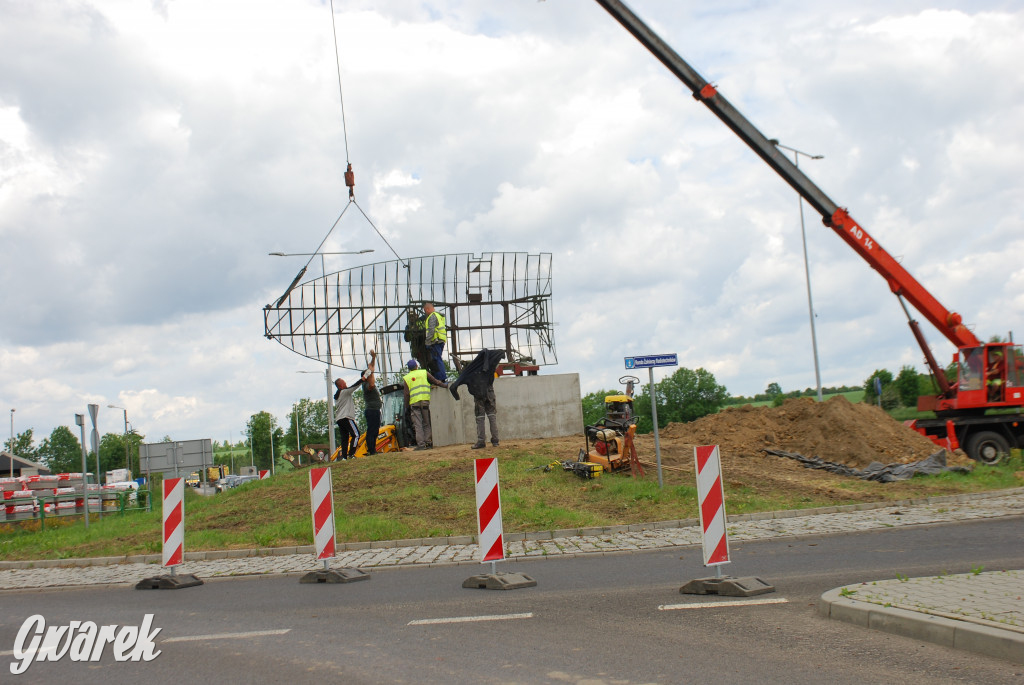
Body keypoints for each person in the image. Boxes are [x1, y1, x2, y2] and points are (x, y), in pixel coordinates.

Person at [449, 349, 505, 449]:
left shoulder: (470, 371)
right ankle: (495, 441)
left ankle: (481, 441)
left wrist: (457, 397)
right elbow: (499, 352)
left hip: (479, 395)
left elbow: (453, 387)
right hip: (489, 392)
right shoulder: (490, 366)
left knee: (480, 418)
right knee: (492, 416)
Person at [402, 358, 448, 450]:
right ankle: (428, 442)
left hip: (414, 404)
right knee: (426, 422)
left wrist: (406, 407)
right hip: (425, 402)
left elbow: (406, 394)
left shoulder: (407, 378)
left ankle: (421, 445)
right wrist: (445, 385)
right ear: (416, 366)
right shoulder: (424, 372)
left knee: (418, 424)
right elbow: (435, 381)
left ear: (409, 368)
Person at [333, 372, 367, 461]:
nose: (346, 384)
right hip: (346, 417)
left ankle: (344, 457)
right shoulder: (344, 392)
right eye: (344, 383)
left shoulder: (337, 396)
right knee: (356, 434)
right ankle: (351, 454)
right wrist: (362, 379)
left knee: (344, 438)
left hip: (339, 419)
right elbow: (354, 386)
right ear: (341, 386)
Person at [362, 351, 382, 455]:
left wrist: (373, 358)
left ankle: (373, 448)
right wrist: (371, 373)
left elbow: (371, 368)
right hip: (371, 411)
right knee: (372, 430)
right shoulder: (366, 385)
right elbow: (372, 384)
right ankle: (371, 449)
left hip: (375, 410)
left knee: (375, 430)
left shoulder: (368, 382)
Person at [423, 302, 448, 382]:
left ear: (427, 309)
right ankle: (439, 377)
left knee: (437, 359)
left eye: (425, 310)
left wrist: (427, 342)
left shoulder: (432, 317)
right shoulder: (439, 316)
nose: (425, 312)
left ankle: (440, 378)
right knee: (437, 359)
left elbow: (431, 330)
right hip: (441, 340)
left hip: (435, 341)